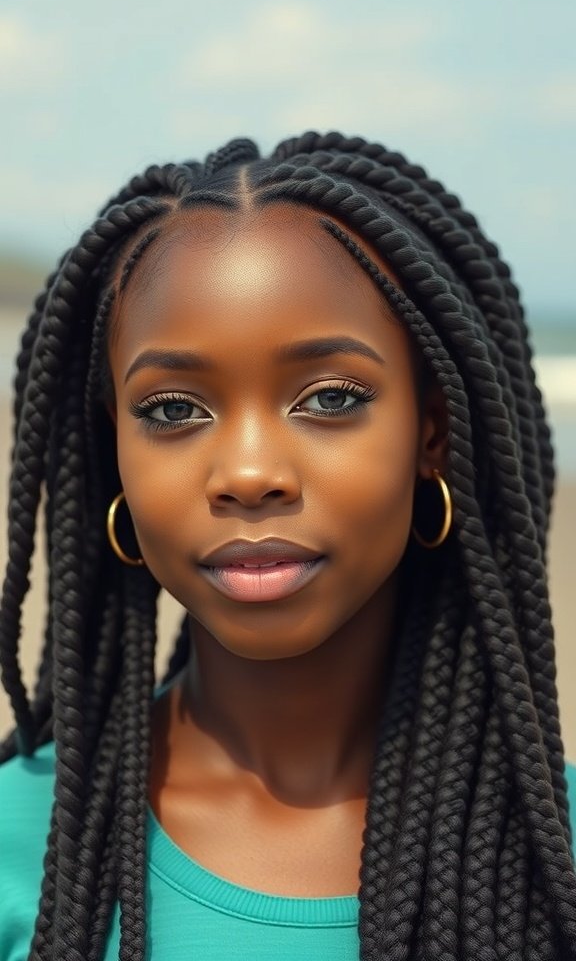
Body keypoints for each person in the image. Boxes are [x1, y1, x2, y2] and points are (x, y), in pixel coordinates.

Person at [0, 131, 575, 961]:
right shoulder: (24, 845)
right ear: (110, 451)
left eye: (330, 398)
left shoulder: (549, 865)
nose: (249, 473)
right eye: (171, 410)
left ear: (434, 433)